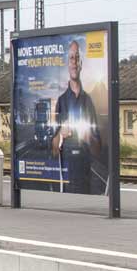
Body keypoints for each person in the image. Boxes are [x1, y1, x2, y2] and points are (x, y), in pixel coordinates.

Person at [50, 39, 103, 194]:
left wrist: (88, 137)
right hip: (66, 177)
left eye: (77, 57)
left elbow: (98, 150)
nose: (74, 62)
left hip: (86, 179)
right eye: (71, 58)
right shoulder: (61, 101)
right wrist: (60, 134)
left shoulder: (88, 101)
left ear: (81, 64)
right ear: (68, 64)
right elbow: (53, 150)